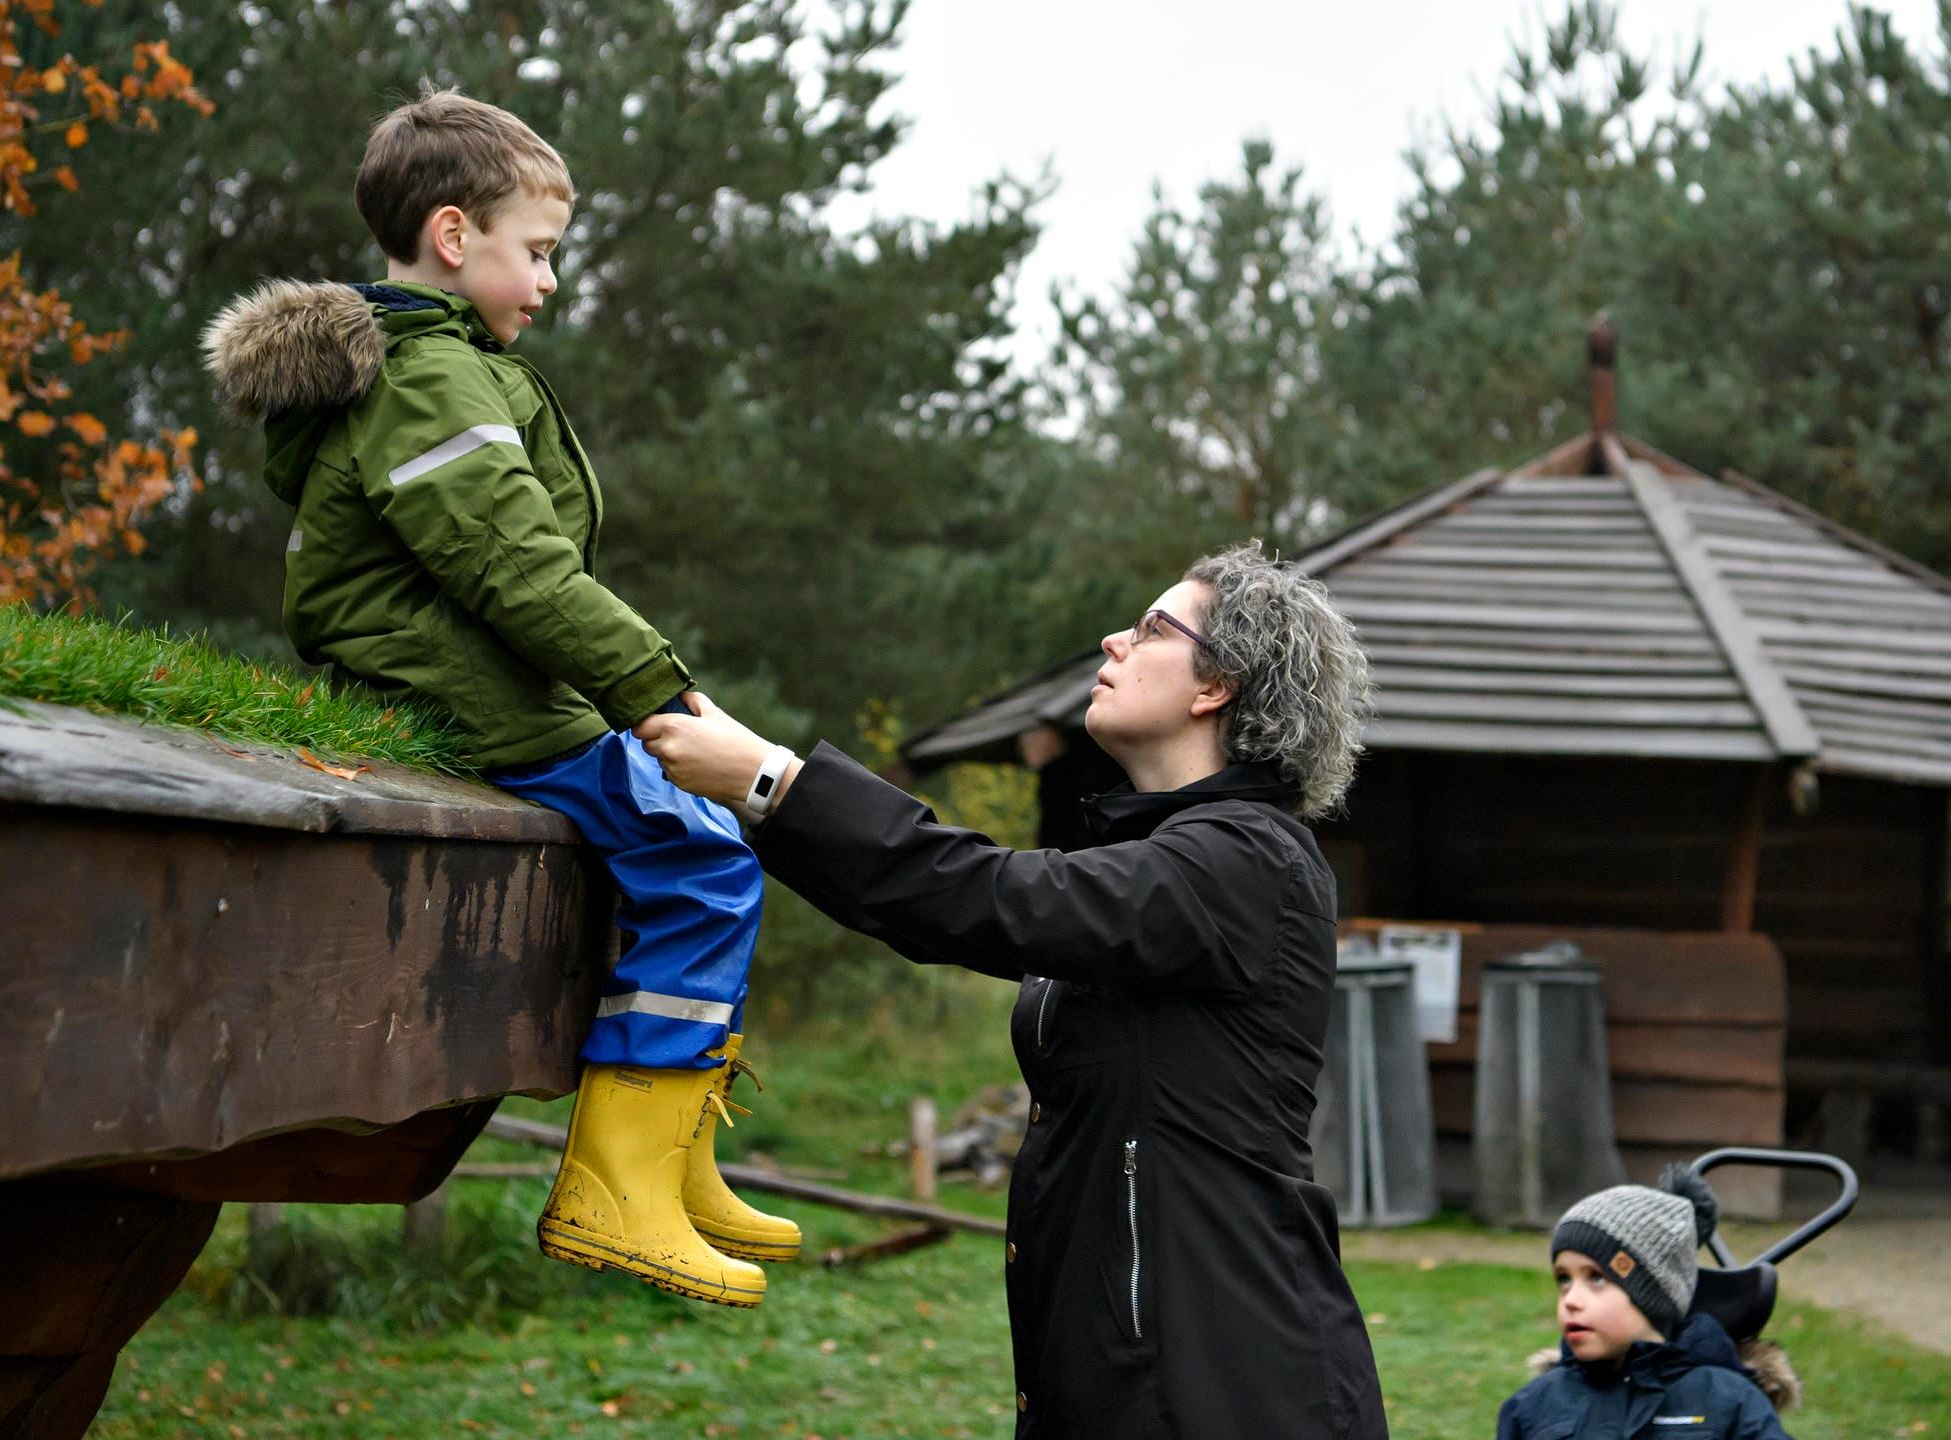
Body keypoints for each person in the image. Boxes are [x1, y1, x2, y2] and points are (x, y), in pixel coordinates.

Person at [200, 85, 789, 1308]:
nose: (552, 281)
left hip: (485, 687)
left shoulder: (445, 366)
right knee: (704, 859)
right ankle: (618, 1186)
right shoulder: (429, 381)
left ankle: (669, 1152)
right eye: (540, 251)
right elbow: (516, 571)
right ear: (456, 236)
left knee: (706, 840)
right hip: (473, 700)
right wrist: (662, 694)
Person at [637, 543, 1390, 1438]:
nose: (1113, 641)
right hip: (1131, 1378)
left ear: (1217, 684)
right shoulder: (1174, 857)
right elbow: (954, 913)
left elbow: (991, 900)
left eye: (1153, 627)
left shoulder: (1250, 861)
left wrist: (773, 782)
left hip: (1232, 1386)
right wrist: (765, 795)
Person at [1496, 1168, 1799, 1439]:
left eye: (1596, 1278)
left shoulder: (1729, 1401)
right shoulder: (1535, 1406)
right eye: (1564, 1280)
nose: (1571, 1300)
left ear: (1651, 1295)